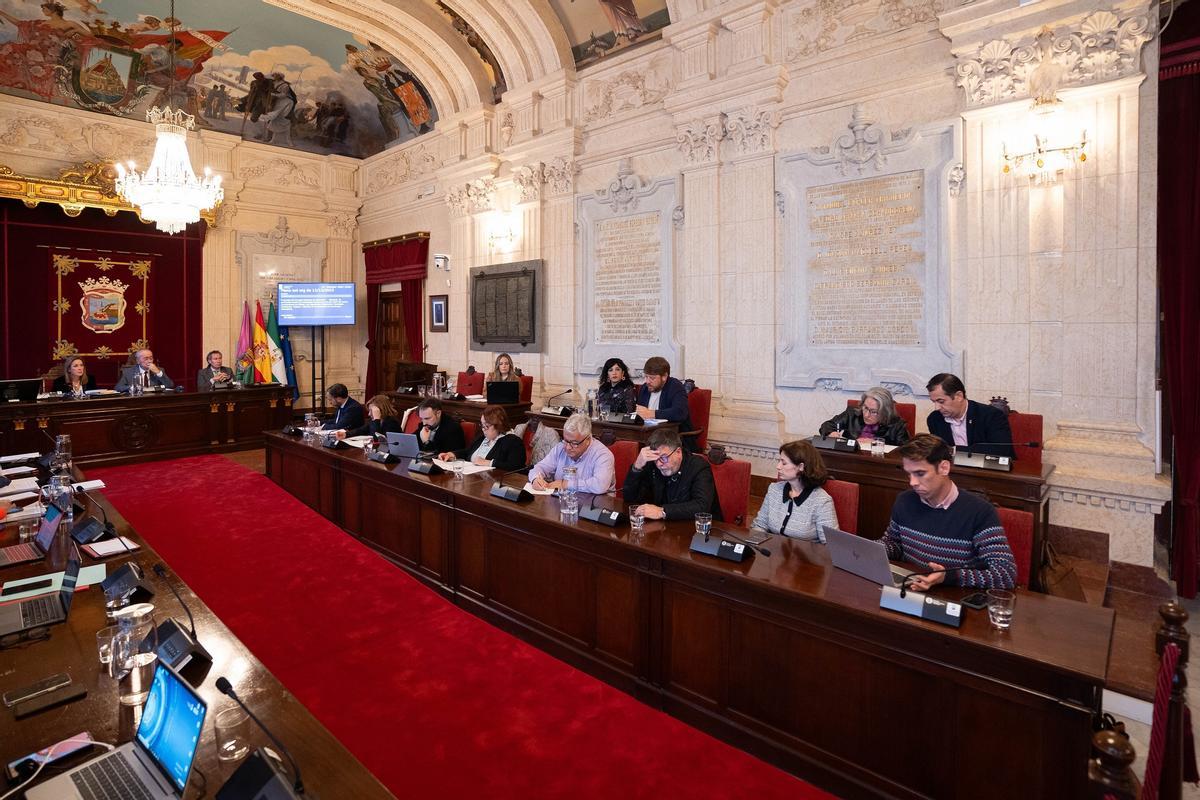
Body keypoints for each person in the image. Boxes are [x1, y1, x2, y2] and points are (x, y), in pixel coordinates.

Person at [882, 434, 1017, 591]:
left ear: (944, 468)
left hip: (955, 595)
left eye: (920, 474)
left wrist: (949, 576)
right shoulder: (904, 500)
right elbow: (894, 544)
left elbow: (1006, 574)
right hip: (912, 586)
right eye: (909, 474)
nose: (912, 483)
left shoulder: (980, 511)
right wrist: (872, 549)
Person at [622, 428, 721, 521]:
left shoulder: (699, 467)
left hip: (699, 530)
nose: (659, 463)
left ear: (678, 452)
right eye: (655, 458)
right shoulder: (652, 463)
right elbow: (629, 498)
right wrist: (637, 466)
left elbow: (701, 506)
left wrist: (663, 511)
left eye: (664, 458)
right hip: (663, 528)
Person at [750, 440, 838, 541]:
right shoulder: (774, 489)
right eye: (779, 461)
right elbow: (759, 526)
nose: (778, 467)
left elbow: (830, 544)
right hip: (772, 553)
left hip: (806, 556)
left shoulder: (821, 500)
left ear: (801, 467)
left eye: (784, 463)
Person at [925, 373, 1014, 459]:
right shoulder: (934, 419)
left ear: (959, 396)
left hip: (990, 471)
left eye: (941, 401)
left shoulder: (991, 415)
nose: (937, 408)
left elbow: (1002, 450)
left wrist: (953, 450)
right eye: (934, 402)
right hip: (953, 470)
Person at [528, 413, 615, 494]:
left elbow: (599, 486)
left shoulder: (603, 455)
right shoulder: (560, 448)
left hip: (595, 505)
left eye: (574, 443)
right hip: (563, 501)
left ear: (588, 440)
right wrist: (535, 479)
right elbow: (540, 467)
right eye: (566, 440)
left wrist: (565, 484)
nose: (568, 447)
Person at [439, 405, 525, 470]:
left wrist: (488, 463)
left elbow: (516, 467)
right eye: (482, 425)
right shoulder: (483, 437)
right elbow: (468, 452)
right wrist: (452, 454)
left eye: (486, 426)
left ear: (499, 425)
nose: (483, 429)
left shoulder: (513, 441)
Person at [818, 386, 911, 446]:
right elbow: (827, 425)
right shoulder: (852, 413)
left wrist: (876, 444)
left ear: (885, 412)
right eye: (865, 408)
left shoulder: (897, 425)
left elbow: (906, 450)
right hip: (851, 461)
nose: (866, 415)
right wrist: (831, 433)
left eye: (873, 412)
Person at [634, 357, 694, 434]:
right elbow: (641, 412)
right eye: (646, 377)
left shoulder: (675, 387)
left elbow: (680, 412)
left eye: (652, 378)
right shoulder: (645, 388)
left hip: (673, 437)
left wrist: (652, 413)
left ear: (664, 376)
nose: (647, 381)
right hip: (647, 433)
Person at [337, 394, 402, 439]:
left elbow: (376, 440)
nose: (369, 414)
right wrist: (346, 434)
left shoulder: (392, 423)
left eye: (372, 411)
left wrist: (376, 419)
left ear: (380, 410)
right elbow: (361, 430)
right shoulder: (374, 420)